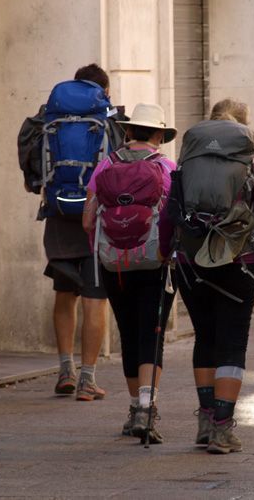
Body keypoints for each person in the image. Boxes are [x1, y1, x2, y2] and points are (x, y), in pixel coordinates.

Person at [168, 99, 254, 454]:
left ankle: (205, 419)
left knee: (205, 338)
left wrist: (166, 253)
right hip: (237, 264)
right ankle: (222, 430)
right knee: (232, 343)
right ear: (243, 129)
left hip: (189, 264)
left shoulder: (187, 163)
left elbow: (170, 215)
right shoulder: (253, 164)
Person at [83, 103, 177, 444]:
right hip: (157, 263)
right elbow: (174, 217)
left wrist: (109, 243)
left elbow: (87, 219)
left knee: (128, 333)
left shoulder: (105, 165)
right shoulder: (167, 167)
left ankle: (134, 408)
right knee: (152, 334)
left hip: (114, 265)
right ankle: (147, 410)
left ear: (127, 132)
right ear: (158, 135)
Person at [42, 63, 126, 401]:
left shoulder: (50, 118)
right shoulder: (110, 120)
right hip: (99, 220)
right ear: (104, 91)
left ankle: (65, 368)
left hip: (59, 214)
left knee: (64, 294)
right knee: (95, 298)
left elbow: (30, 166)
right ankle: (87, 379)